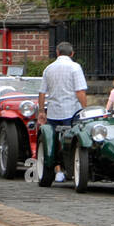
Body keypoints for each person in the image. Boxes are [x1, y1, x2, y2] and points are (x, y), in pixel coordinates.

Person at [38, 41, 89, 182]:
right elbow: (80, 91)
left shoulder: (48, 68)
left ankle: (58, 171)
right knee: (71, 141)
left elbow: (42, 92)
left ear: (57, 52)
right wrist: (85, 110)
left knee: (52, 142)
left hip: (54, 111)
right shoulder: (75, 67)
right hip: (71, 111)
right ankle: (71, 169)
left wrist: (41, 111)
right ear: (72, 53)